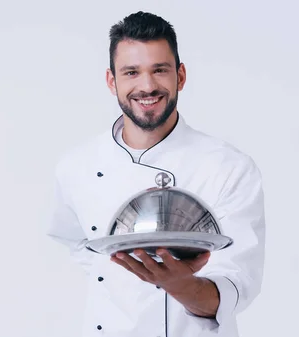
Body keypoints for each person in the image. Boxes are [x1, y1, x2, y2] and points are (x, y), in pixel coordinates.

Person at [46, 11, 266, 337]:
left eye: (159, 70)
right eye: (131, 72)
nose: (147, 86)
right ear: (112, 81)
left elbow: (235, 286)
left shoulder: (228, 168)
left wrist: (177, 283)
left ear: (181, 76)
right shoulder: (77, 166)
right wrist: (118, 271)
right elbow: (75, 240)